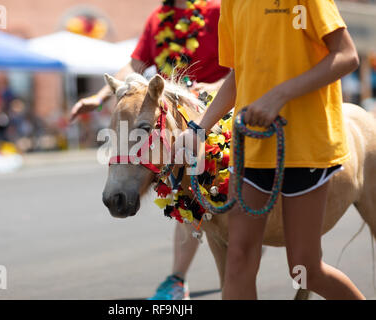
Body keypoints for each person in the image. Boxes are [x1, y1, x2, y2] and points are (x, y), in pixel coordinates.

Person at [174, 0, 365, 299]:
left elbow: (346, 56)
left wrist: (279, 95)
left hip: (306, 147)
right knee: (237, 261)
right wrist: (200, 128)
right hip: (250, 149)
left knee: (305, 269)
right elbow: (240, 73)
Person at [71, 0, 230, 300]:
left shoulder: (218, 10)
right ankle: (178, 279)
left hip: (220, 110)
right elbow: (135, 65)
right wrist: (101, 96)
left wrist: (217, 89)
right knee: (186, 197)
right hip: (170, 119)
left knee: (215, 192)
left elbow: (241, 60)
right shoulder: (158, 19)